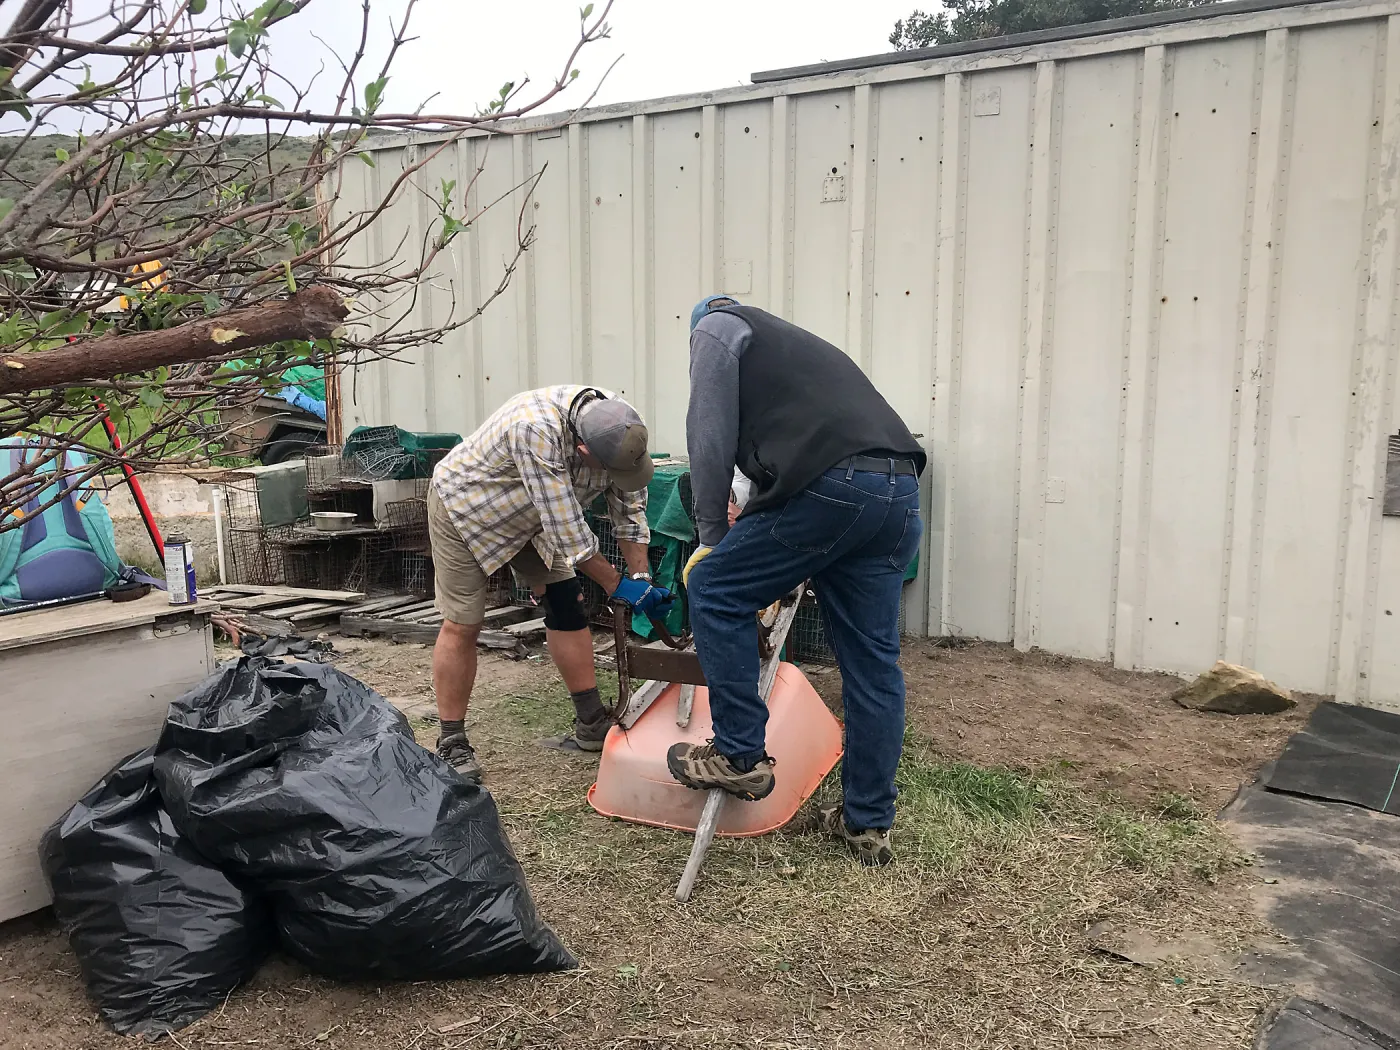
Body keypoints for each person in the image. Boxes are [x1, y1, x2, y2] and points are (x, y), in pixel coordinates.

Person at [668, 296, 925, 866]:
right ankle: (867, 822)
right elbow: (788, 456)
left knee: (714, 588)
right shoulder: (802, 353)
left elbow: (707, 438)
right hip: (900, 490)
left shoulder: (715, 328)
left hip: (832, 486)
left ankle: (738, 756)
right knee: (872, 663)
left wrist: (712, 540)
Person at [428, 385, 673, 782]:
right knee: (463, 622)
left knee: (566, 603)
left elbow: (629, 513)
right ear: (584, 451)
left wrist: (642, 578)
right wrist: (618, 585)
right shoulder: (534, 430)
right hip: (469, 508)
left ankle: (591, 721)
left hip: (536, 515)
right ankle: (452, 741)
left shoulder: (618, 423)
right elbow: (569, 532)